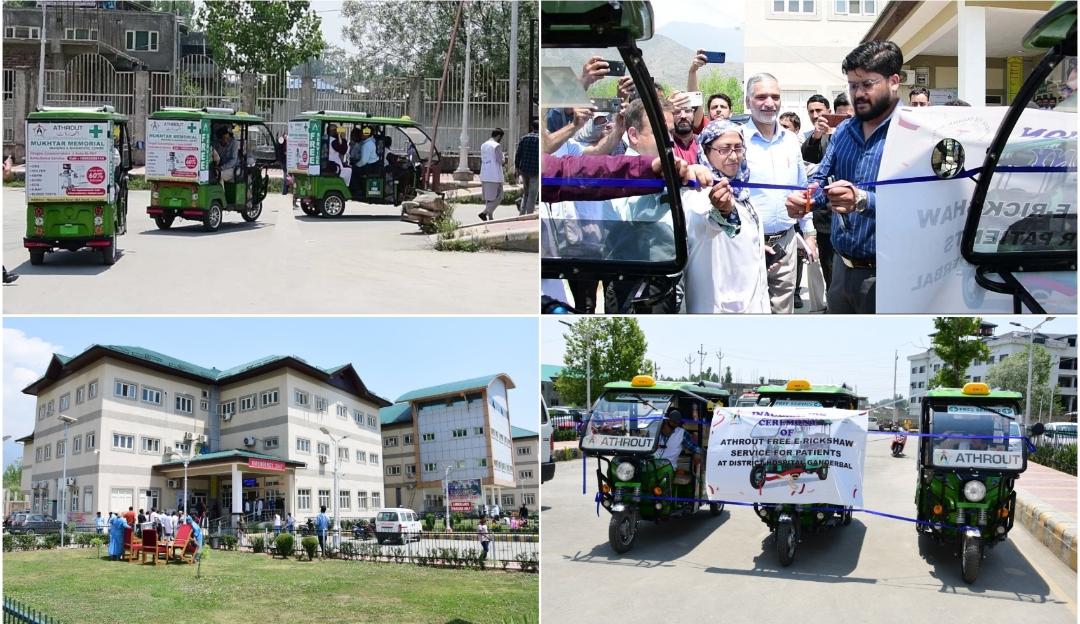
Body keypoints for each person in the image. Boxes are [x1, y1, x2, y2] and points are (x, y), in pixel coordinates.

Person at [785, 40, 903, 314]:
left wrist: (862, 200)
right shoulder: (843, 133)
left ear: (893, 81)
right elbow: (820, 181)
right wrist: (804, 201)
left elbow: (921, 204)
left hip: (888, 275)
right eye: (852, 85)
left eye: (867, 84)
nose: (858, 93)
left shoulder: (912, 134)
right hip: (840, 270)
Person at [742, 73, 816, 314]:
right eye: (761, 96)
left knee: (783, 310)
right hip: (747, 243)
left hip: (786, 241)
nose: (769, 103)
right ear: (748, 101)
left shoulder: (791, 141)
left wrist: (809, 232)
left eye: (775, 96)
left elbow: (801, 188)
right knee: (749, 308)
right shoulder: (738, 141)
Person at [685, 119, 770, 313]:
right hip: (720, 307)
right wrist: (723, 210)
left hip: (753, 301)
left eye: (738, 148)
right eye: (724, 149)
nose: (734, 156)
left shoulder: (742, 192)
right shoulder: (698, 195)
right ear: (706, 151)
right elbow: (712, 220)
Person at [653, 408, 704, 473]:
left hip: (668, 468)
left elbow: (694, 447)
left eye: (676, 424)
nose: (674, 427)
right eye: (671, 425)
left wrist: (697, 453)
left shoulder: (682, 433)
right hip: (650, 467)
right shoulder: (653, 431)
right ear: (665, 421)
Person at [479, 128, 506, 221]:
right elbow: (500, 161)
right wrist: (504, 158)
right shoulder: (496, 146)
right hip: (494, 175)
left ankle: (490, 216)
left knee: (489, 197)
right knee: (499, 196)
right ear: (498, 136)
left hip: (484, 173)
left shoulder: (483, 145)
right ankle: (484, 212)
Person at [515, 120, 540, 215]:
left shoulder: (524, 138)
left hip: (524, 170)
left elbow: (518, 154)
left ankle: (522, 213)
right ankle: (529, 215)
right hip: (535, 171)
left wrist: (517, 168)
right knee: (532, 195)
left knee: (526, 193)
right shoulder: (540, 140)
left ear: (532, 127)